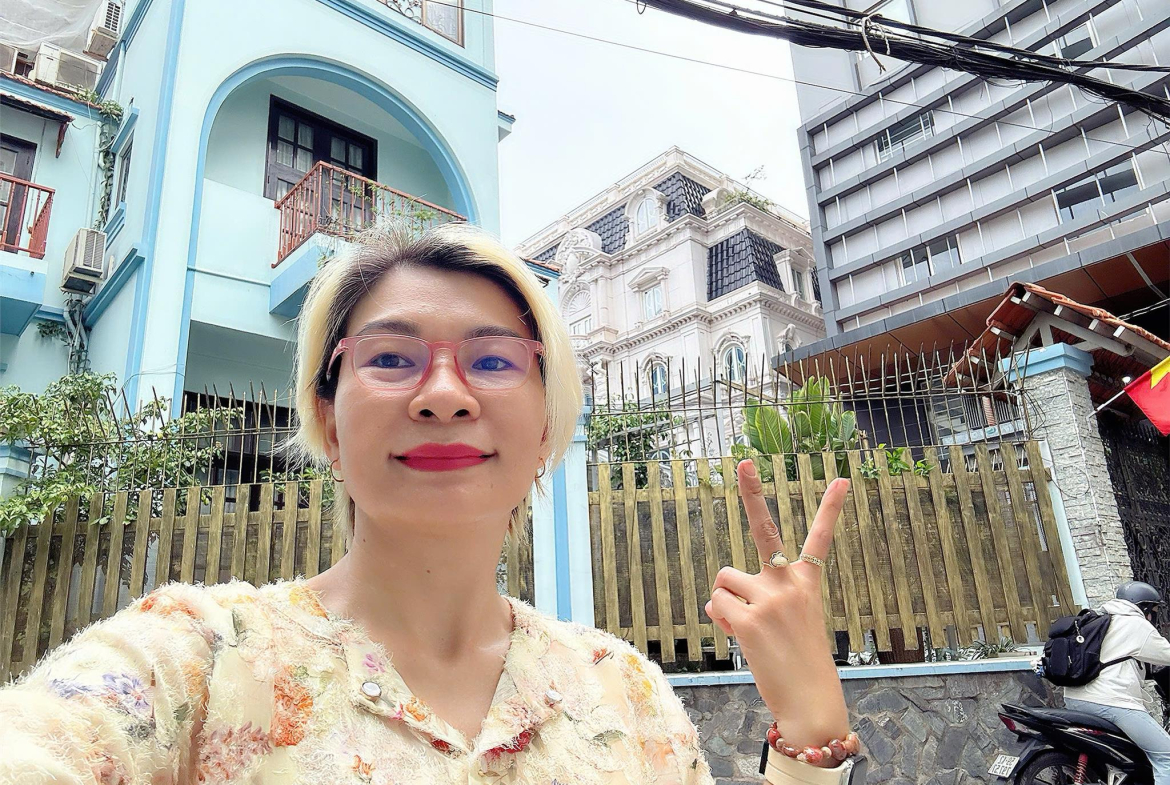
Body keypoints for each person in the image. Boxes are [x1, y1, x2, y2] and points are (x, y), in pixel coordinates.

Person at [0, 224, 863, 784]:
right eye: (389, 357)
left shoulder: (626, 691)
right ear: (328, 420)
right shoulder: (193, 657)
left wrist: (810, 725)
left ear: (546, 431)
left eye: (492, 361)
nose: (445, 394)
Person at [1065, 581, 1170, 784]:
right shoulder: (1135, 624)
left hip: (1074, 700)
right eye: (1153, 611)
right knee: (1166, 755)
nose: (1153, 617)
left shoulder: (1100, 620)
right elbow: (1166, 655)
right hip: (1111, 702)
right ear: (1144, 608)